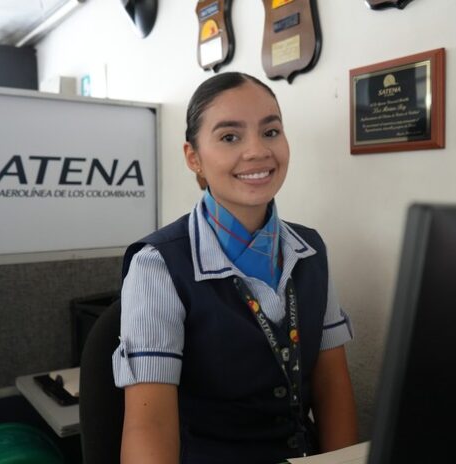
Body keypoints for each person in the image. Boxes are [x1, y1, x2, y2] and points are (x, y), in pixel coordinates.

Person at [113, 72, 358, 464]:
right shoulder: (157, 266)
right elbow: (149, 427)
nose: (257, 151)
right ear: (193, 157)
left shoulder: (310, 250)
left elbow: (333, 385)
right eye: (230, 137)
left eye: (271, 132)